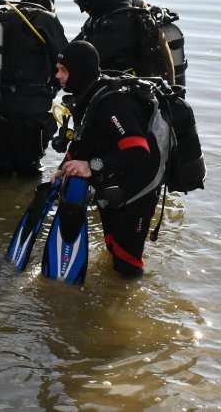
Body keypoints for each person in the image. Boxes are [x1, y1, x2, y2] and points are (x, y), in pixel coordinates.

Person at [51, 40, 161, 277]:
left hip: (139, 186)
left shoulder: (112, 104)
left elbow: (138, 153)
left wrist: (91, 167)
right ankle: (111, 300)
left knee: (127, 263)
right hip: (114, 181)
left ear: (78, 71)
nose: (58, 75)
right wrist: (63, 169)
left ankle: (129, 305)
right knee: (112, 247)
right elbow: (84, 141)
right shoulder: (89, 96)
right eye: (58, 69)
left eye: (64, 70)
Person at [0, 0, 68, 175]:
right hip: (28, 115)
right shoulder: (45, 19)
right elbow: (66, 59)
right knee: (28, 174)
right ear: (50, 4)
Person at [72, 0, 173, 80]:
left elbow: (89, 56)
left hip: (133, 88)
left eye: (85, 5)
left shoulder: (122, 21)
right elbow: (75, 44)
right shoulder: (103, 13)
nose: (82, 10)